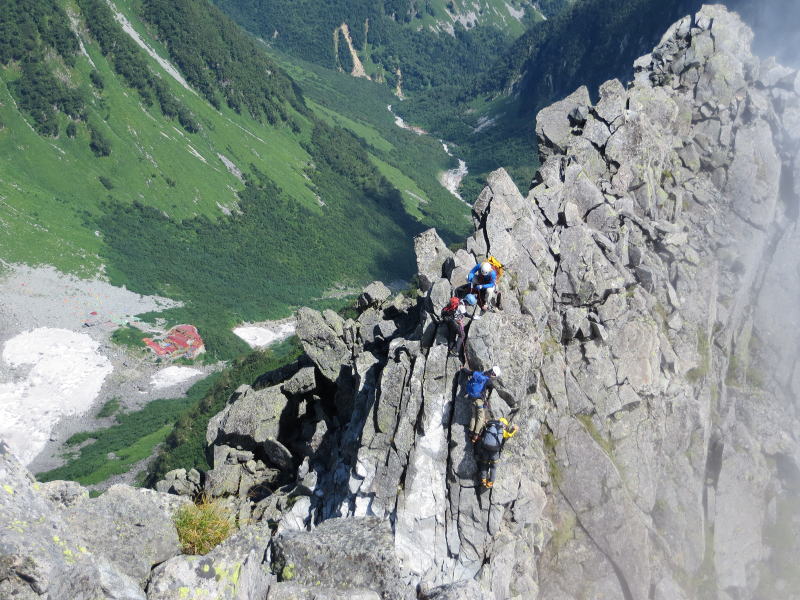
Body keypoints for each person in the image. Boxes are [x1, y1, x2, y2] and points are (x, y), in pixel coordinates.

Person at [476, 417, 519, 489]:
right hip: (494, 452)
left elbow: (484, 427)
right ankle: (490, 483)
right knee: (493, 467)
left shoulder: (490, 426)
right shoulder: (502, 431)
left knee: (484, 463)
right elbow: (509, 435)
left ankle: (483, 479)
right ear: (504, 425)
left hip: (485, 448)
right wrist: (514, 430)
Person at [463, 366, 501, 443]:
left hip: (472, 398)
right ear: (493, 375)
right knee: (480, 417)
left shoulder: (478, 374)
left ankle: (470, 433)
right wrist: (487, 398)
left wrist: (462, 368)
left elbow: (467, 372)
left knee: (474, 416)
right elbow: (492, 388)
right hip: (479, 400)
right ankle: (475, 435)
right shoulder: (488, 381)